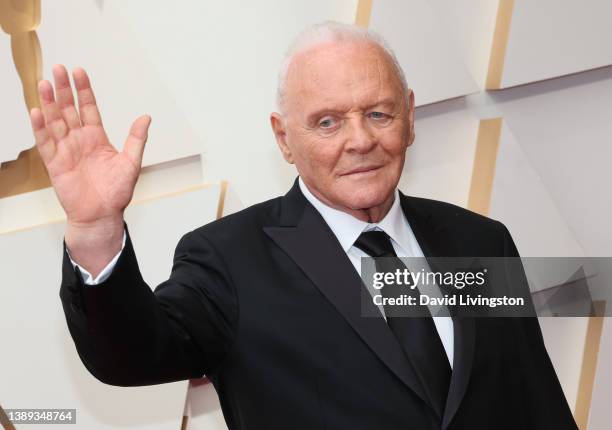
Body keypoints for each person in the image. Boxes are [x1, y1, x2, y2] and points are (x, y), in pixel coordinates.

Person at [30, 22, 577, 429]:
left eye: (379, 113)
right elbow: (130, 353)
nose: (359, 140)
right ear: (284, 138)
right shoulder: (229, 260)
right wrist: (96, 230)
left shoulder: (480, 241)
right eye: (327, 122)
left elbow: (534, 400)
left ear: (409, 117)